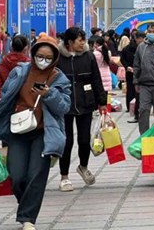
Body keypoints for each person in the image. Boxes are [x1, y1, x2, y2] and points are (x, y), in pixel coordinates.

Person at [0, 34, 71, 230]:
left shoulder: (59, 78)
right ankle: (26, 206)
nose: (43, 61)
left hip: (43, 132)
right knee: (17, 176)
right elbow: (5, 97)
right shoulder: (20, 72)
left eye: (48, 58)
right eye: (40, 56)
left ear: (54, 59)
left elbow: (64, 107)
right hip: (18, 130)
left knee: (36, 174)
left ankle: (28, 219)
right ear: (33, 54)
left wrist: (49, 94)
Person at [57, 27, 107, 192]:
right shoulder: (58, 58)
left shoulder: (88, 56)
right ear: (70, 42)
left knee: (84, 140)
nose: (83, 44)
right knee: (67, 141)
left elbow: (96, 79)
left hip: (86, 103)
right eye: (80, 41)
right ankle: (64, 177)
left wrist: (102, 102)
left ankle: (83, 167)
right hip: (64, 105)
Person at [0, 35, 29, 99]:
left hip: (5, 99)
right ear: (25, 48)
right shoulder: (28, 64)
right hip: (22, 102)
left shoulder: (3, 62)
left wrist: (2, 99)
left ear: (12, 47)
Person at [121, 31, 145, 123]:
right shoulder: (127, 48)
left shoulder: (145, 47)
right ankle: (131, 109)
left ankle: (136, 112)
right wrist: (127, 67)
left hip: (141, 73)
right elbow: (122, 59)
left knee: (137, 93)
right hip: (131, 72)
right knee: (131, 90)